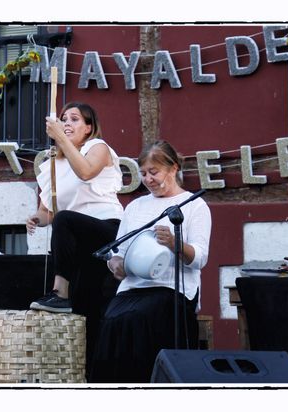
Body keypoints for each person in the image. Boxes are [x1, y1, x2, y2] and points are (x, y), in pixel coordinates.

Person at [90, 140, 212, 383]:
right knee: (111, 320)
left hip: (171, 290)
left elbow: (200, 258)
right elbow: (118, 250)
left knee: (139, 318)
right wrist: (115, 263)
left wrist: (175, 244)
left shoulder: (195, 206)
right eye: (143, 173)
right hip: (133, 288)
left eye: (153, 172)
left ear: (173, 168)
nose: (148, 179)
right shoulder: (135, 206)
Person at [26, 102, 124, 367]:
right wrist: (36, 218)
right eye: (63, 119)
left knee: (66, 219)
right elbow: (48, 212)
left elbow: (85, 171)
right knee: (85, 310)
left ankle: (59, 293)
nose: (67, 123)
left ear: (88, 127)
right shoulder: (51, 166)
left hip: (106, 229)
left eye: (74, 119)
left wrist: (61, 139)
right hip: (77, 240)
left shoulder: (97, 147)